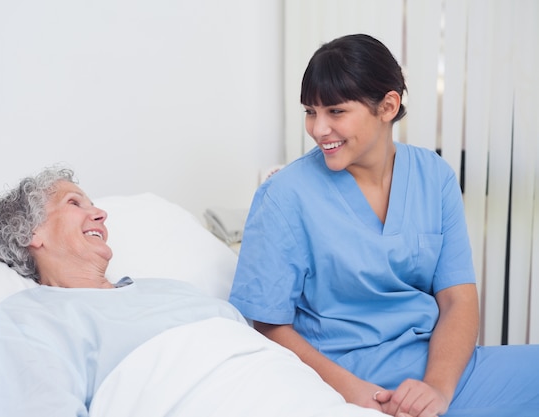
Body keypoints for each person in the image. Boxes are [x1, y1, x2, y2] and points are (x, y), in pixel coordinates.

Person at [228, 33, 539, 417]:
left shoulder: (434, 176)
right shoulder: (284, 196)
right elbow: (269, 327)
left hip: (441, 372)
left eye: (336, 112)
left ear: (388, 106)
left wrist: (437, 389)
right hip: (352, 383)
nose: (318, 128)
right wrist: (352, 392)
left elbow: (458, 299)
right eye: (310, 111)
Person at [0, 167, 389, 417]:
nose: (99, 213)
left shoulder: (172, 290)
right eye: (75, 203)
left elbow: (264, 362)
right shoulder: (30, 316)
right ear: (31, 233)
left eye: (93, 204)